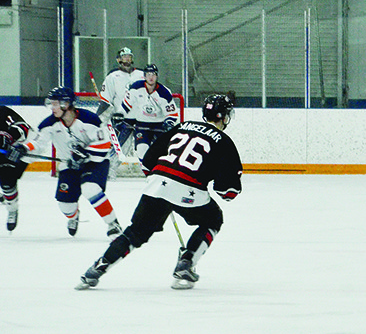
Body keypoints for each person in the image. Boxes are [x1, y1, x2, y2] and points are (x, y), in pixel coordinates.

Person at [75, 94, 243, 290]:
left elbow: (148, 162)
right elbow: (227, 191)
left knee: (135, 232)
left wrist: (163, 182)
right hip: (189, 190)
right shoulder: (224, 141)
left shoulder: (182, 126)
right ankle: (186, 263)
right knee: (213, 219)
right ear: (224, 116)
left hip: (157, 184)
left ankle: (97, 268)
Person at [7, 87, 122, 239]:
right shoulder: (49, 124)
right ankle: (73, 217)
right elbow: (38, 143)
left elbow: (104, 144)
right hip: (69, 165)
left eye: (55, 104)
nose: (52, 108)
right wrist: (23, 147)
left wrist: (85, 153)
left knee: (90, 188)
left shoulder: (90, 119)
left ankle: (113, 224)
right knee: (65, 205)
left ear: (67, 104)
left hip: (94, 162)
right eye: (51, 104)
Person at [121, 64, 179, 161]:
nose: (151, 77)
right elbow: (126, 106)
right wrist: (119, 115)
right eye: (148, 74)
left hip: (159, 126)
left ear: (157, 76)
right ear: (144, 76)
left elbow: (172, 114)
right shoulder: (136, 87)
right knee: (141, 151)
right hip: (142, 125)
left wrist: (168, 123)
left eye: (153, 74)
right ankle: (147, 174)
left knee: (163, 154)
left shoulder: (164, 93)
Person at [97, 48, 145, 149]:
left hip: (142, 119)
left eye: (129, 56)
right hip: (122, 120)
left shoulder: (142, 75)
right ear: (118, 59)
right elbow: (106, 101)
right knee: (119, 151)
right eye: (124, 56)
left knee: (144, 150)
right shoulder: (112, 76)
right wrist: (98, 120)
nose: (127, 59)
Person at [0, 106, 31, 231]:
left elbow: (24, 127)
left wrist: (8, 137)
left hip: (16, 150)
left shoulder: (3, 112)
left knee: (7, 182)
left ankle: (12, 209)